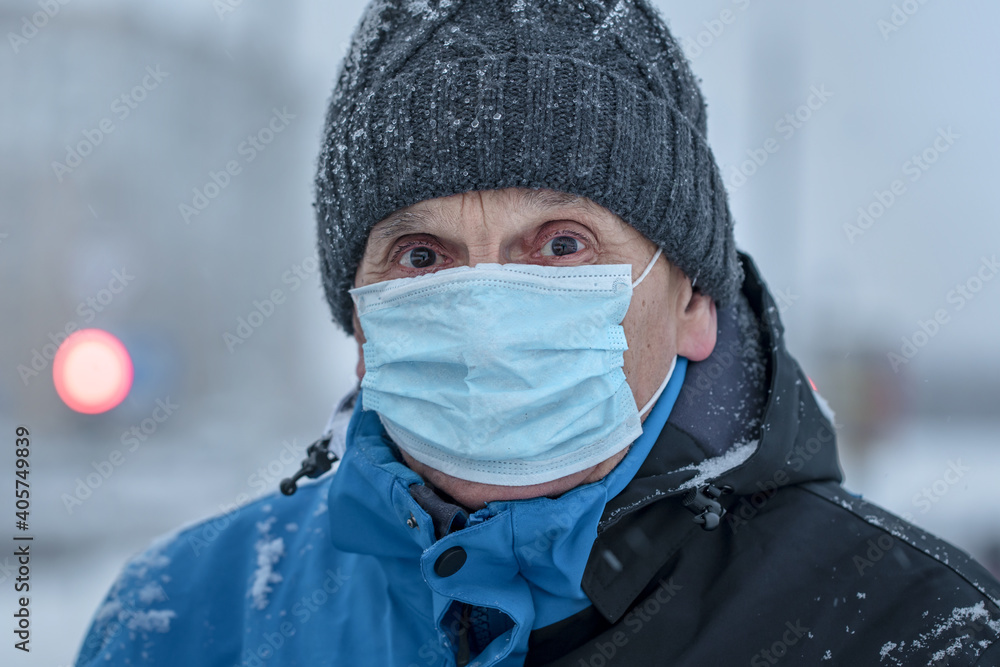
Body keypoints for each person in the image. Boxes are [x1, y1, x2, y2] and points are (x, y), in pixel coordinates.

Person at [76, 1, 1000, 665]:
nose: (485, 310)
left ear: (692, 301)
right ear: (360, 322)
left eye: (560, 243)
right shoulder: (181, 622)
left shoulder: (909, 631)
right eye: (422, 256)